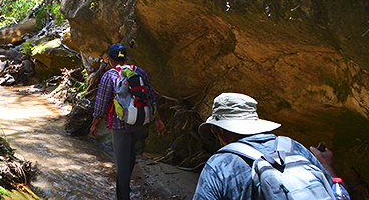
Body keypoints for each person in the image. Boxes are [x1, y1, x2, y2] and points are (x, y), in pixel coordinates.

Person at [192, 92, 338, 200]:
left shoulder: (219, 165)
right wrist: (328, 167)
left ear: (220, 129)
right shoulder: (293, 147)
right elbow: (338, 195)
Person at [90, 43, 167, 200]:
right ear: (125, 58)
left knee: (122, 163)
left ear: (110, 59)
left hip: (121, 125)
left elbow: (101, 103)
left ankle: (123, 197)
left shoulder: (109, 76)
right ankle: (126, 189)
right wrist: (158, 119)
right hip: (140, 122)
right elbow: (152, 97)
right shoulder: (139, 72)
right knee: (130, 153)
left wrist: (95, 123)